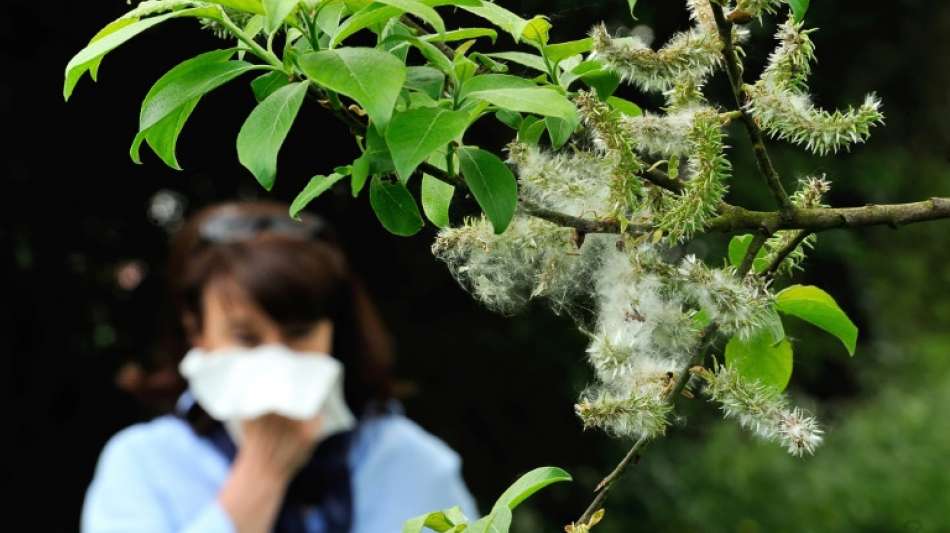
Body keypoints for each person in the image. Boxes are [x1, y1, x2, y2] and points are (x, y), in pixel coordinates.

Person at [81, 200, 479, 533]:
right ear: (196, 329)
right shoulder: (143, 466)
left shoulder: (411, 463)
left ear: (332, 332)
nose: (276, 359)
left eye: (299, 334)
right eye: (246, 338)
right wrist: (260, 478)